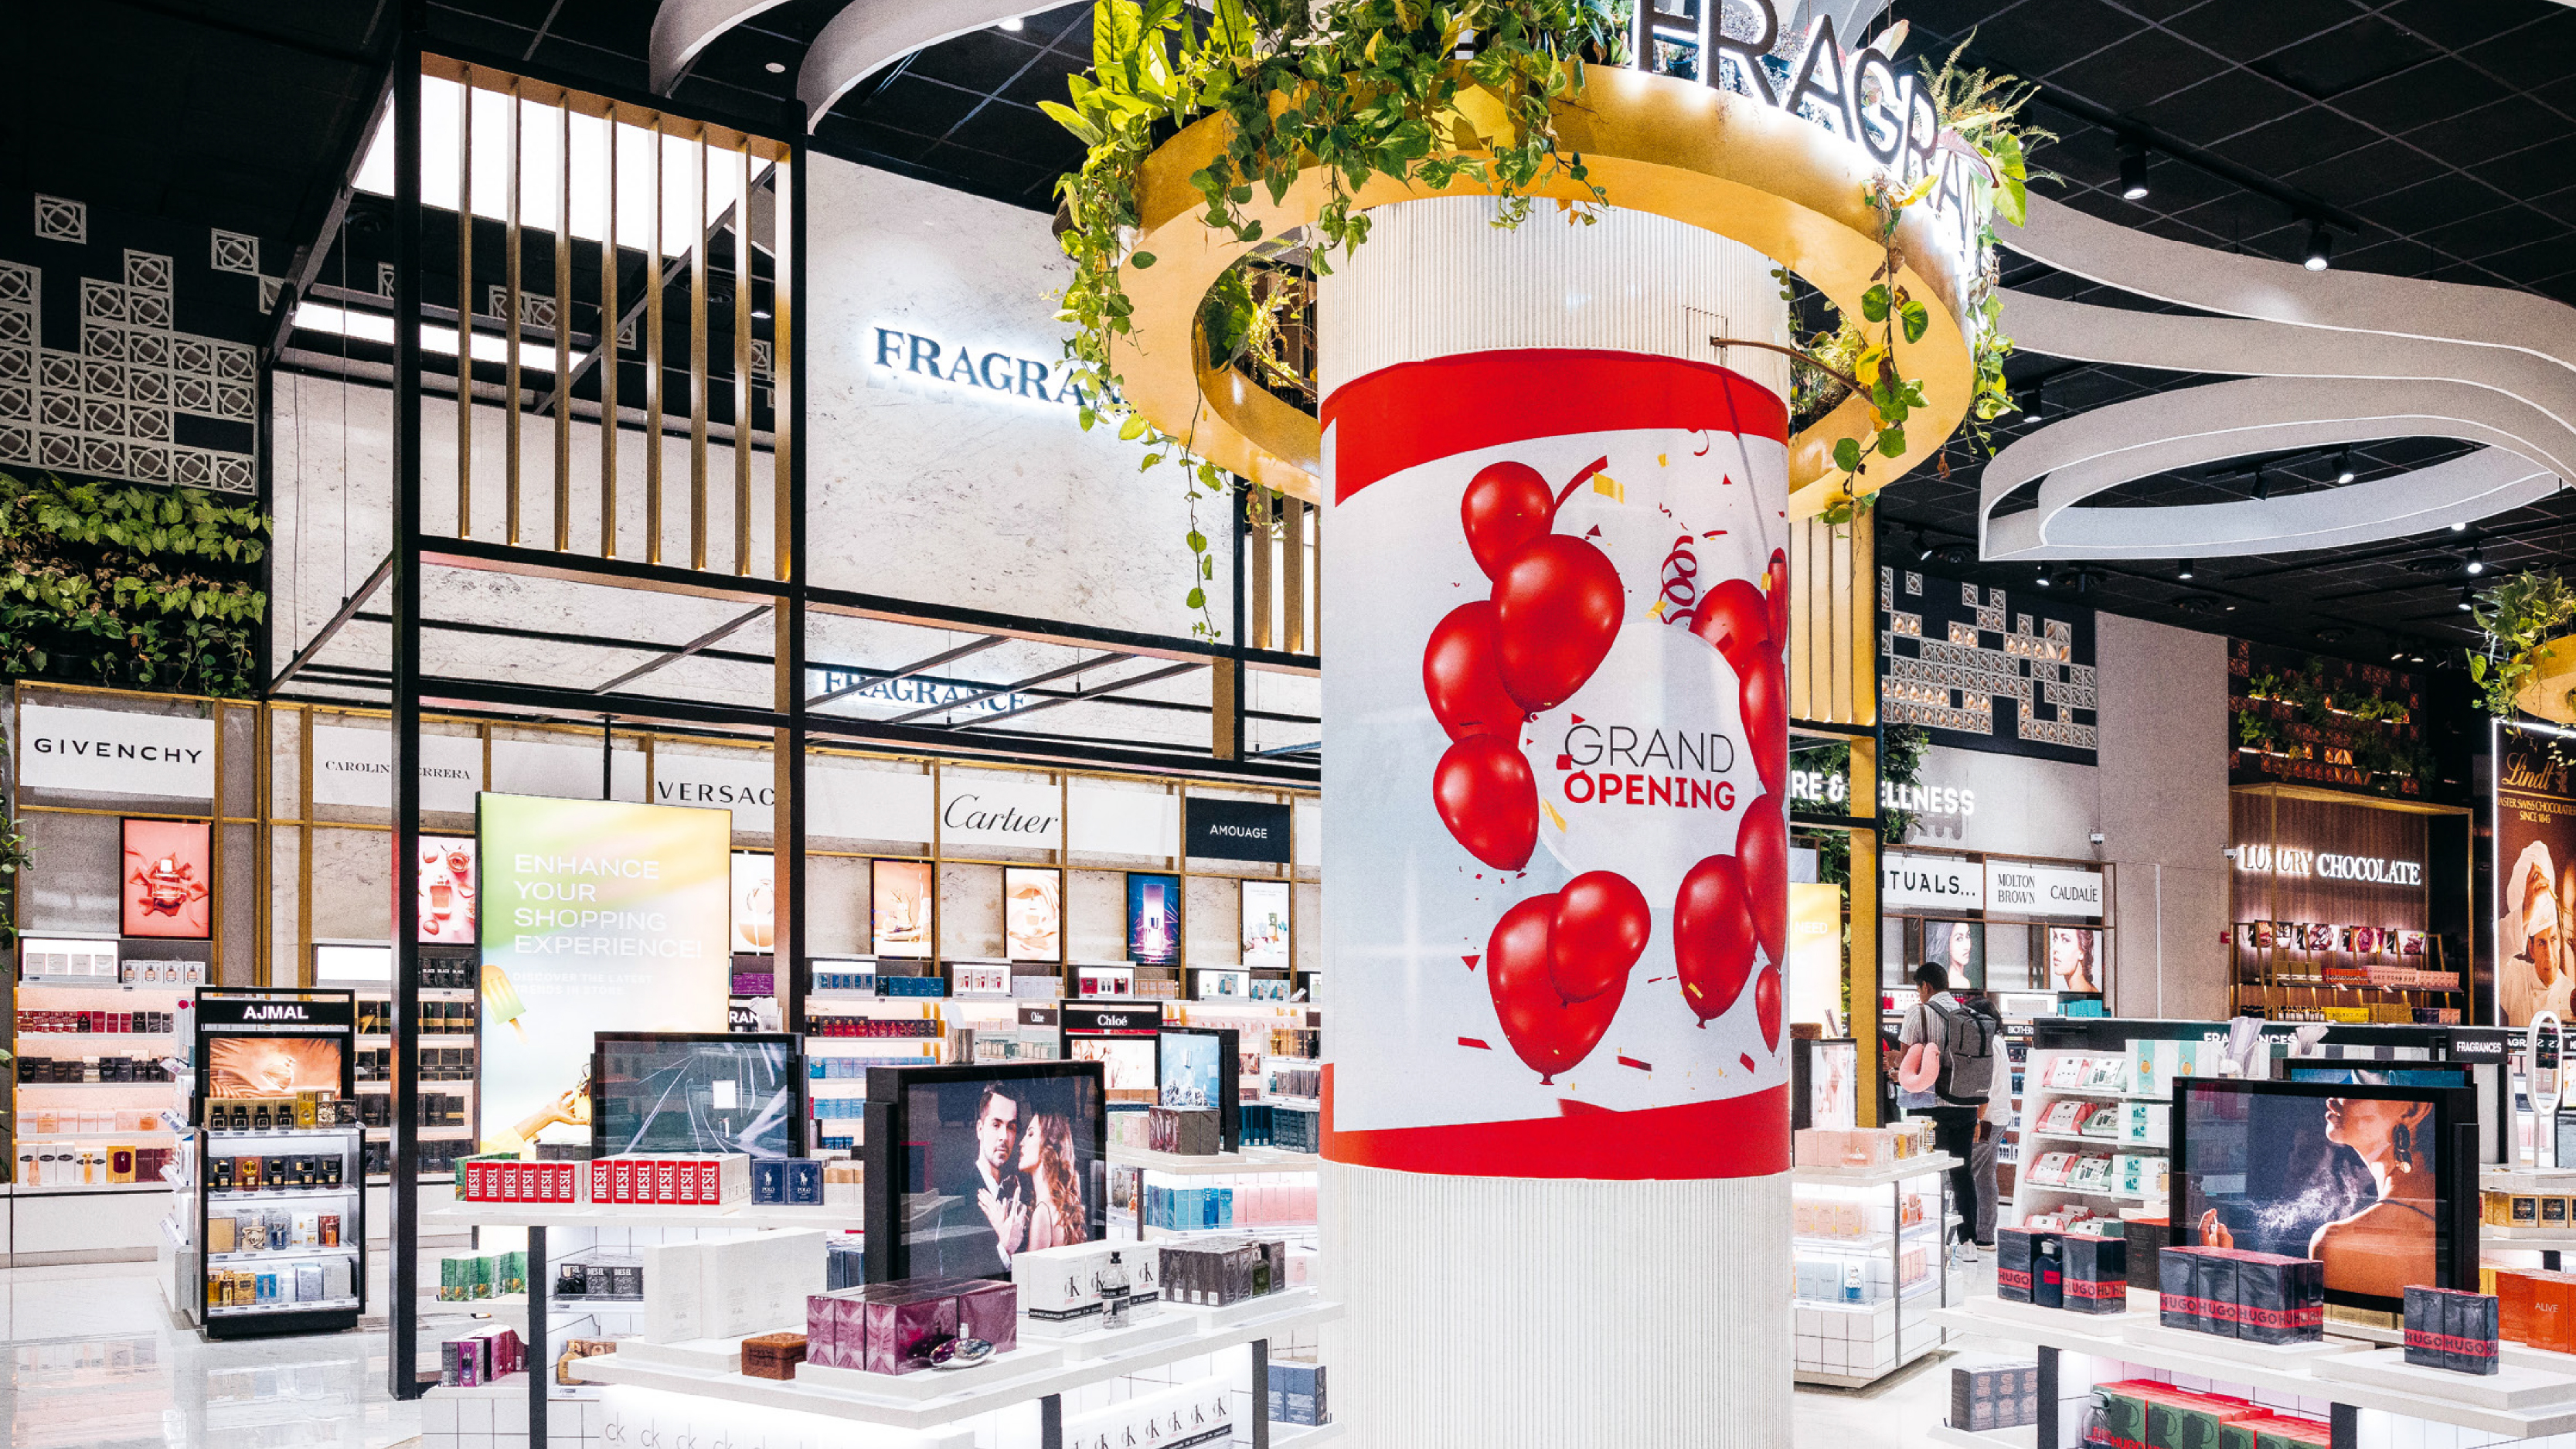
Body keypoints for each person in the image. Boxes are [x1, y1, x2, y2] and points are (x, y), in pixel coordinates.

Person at [2197, 1091, 2437, 1301]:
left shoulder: (2336, 1244)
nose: (2331, 1099)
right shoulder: (2430, 1200)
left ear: (2414, 1108)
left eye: (2359, 1084)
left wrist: (2222, 1272)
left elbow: (2307, 1335)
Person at [1899, 962, 1999, 1262]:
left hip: (1930, 1106)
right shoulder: (1965, 1014)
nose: (1919, 994)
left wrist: (1896, 1067)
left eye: (1919, 988)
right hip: (1965, 1105)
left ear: (1926, 986)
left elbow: (1906, 1059)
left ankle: (1931, 1240)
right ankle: (1968, 1242)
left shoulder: (1919, 1013)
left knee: (1928, 1175)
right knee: (1962, 1173)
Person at [931, 1083, 1031, 1278]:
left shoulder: (1020, 1195)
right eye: (996, 1125)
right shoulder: (956, 1206)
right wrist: (1005, 1249)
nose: (1004, 1136)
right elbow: (954, 1285)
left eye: (1011, 1127)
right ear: (979, 1129)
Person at [2501, 844, 2573, 1027]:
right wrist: (2525, 911)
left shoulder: (2570, 992)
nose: (2549, 953)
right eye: (2541, 943)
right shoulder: (2515, 978)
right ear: (2531, 949)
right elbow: (2495, 951)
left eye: (2553, 940)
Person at [1020, 1111, 1087, 1250]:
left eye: (1031, 1134)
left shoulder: (1042, 1213)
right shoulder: (1057, 1209)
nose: (1022, 1142)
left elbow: (1030, 1272)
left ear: (1049, 1144)